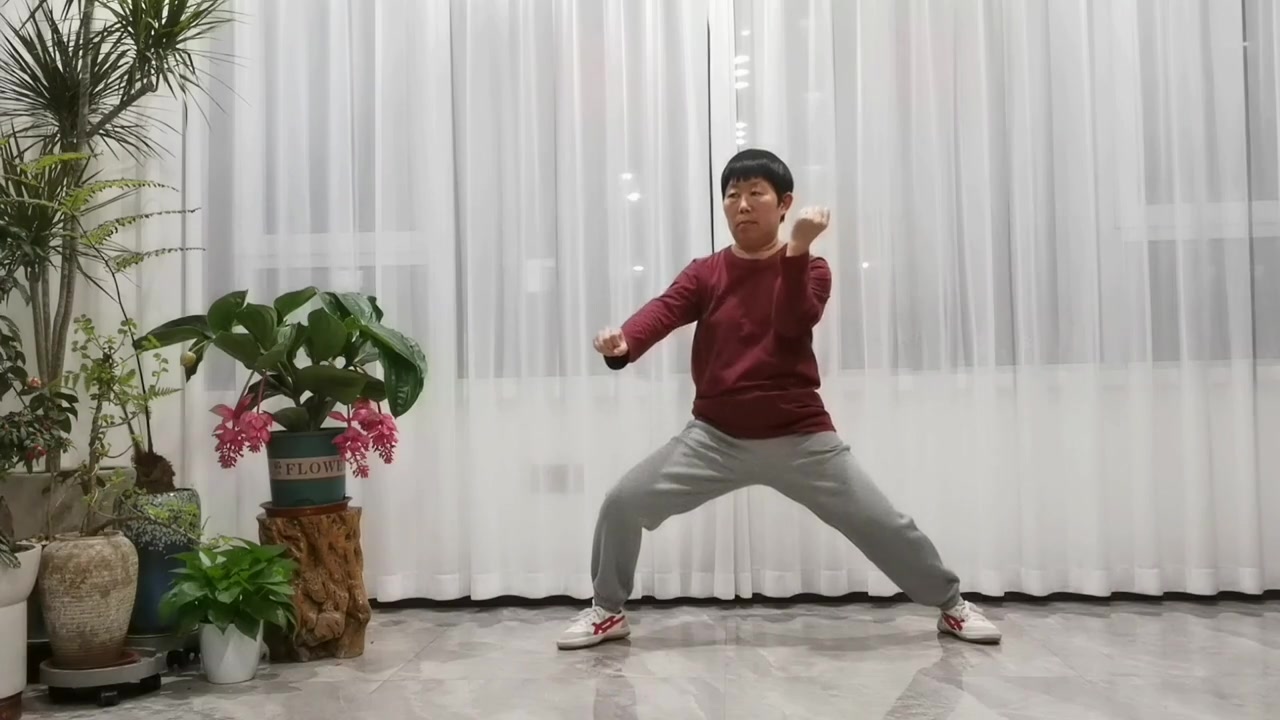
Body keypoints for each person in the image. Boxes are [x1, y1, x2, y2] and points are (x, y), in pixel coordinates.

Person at [557, 149, 1001, 650]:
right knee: (623, 502)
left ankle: (951, 604)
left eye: (755, 193)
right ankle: (607, 610)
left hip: (801, 438)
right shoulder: (706, 273)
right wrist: (625, 342)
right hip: (714, 439)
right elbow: (663, 310)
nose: (742, 204)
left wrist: (798, 249)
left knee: (883, 525)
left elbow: (792, 323)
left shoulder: (813, 268)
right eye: (732, 195)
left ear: (784, 203)